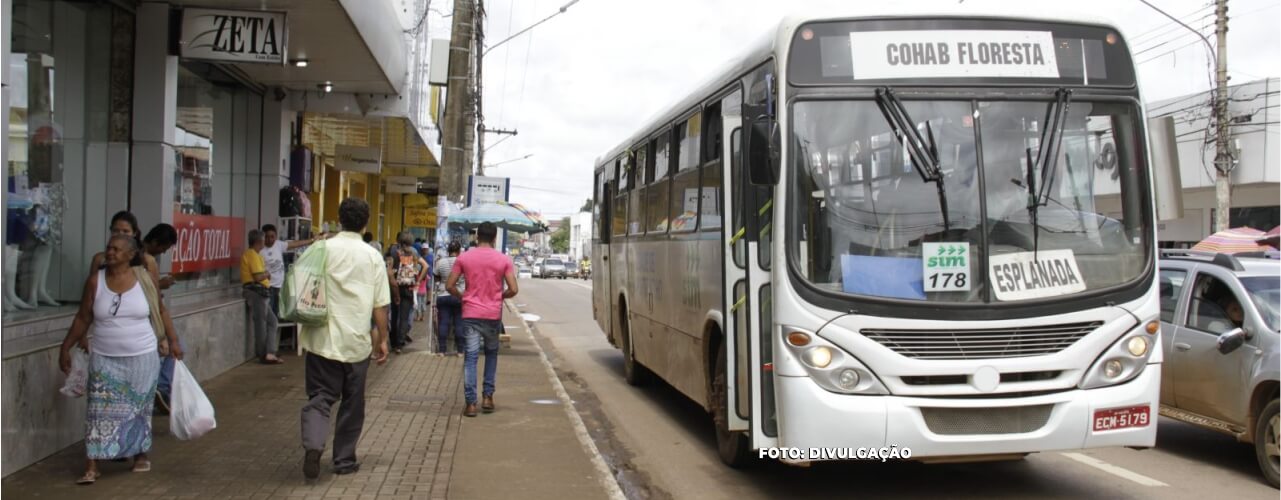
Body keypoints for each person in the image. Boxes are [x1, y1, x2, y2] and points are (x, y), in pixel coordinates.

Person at [58, 234, 181, 485]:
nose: (110, 253)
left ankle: (139, 454)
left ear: (130, 254)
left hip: (142, 357)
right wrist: (66, 346)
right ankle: (92, 464)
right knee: (97, 410)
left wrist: (173, 340)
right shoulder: (95, 281)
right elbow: (83, 317)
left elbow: (160, 310)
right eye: (108, 248)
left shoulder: (144, 280)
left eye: (116, 249)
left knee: (138, 409)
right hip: (104, 357)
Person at [299, 197, 391, 479]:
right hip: (356, 344)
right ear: (365, 223)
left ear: (339, 219)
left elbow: (300, 282)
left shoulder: (320, 248)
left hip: (320, 340)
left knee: (320, 398)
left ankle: (314, 444)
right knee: (353, 403)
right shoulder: (372, 256)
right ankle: (344, 461)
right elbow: (379, 306)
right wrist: (384, 339)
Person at [447, 223, 518, 417]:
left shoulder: (464, 257)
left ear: (477, 237)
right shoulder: (503, 260)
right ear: (495, 238)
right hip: (492, 315)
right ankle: (487, 397)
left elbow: (449, 285)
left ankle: (471, 404)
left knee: (470, 357)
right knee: (491, 354)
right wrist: (499, 296)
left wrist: (463, 297)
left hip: (470, 314)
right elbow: (513, 288)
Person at [242, 229, 281, 364]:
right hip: (256, 292)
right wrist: (267, 274)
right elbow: (258, 276)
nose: (266, 241)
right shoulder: (251, 254)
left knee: (272, 321)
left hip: (262, 292)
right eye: (264, 239)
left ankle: (270, 351)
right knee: (261, 323)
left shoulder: (257, 255)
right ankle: (263, 354)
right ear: (259, 241)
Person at [260, 224, 317, 317]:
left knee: (277, 314)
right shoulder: (260, 250)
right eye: (267, 237)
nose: (270, 240)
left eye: (272, 237)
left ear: (276, 236)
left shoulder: (278, 244)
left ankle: (274, 331)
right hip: (267, 288)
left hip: (280, 287)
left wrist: (312, 240)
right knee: (269, 316)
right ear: (263, 237)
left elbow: (295, 244)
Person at [387, 232, 429, 354]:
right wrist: (418, 282)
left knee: (394, 316)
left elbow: (389, 272)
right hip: (409, 287)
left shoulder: (393, 251)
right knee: (404, 317)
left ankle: (393, 342)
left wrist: (393, 282)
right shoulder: (414, 252)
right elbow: (425, 266)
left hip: (395, 287)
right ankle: (400, 344)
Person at [434, 242, 464, 356]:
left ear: (448, 251)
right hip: (459, 295)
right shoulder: (462, 263)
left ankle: (442, 350)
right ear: (459, 251)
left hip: (443, 295)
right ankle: (460, 351)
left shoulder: (440, 262)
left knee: (443, 323)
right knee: (459, 323)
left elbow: (436, 276)